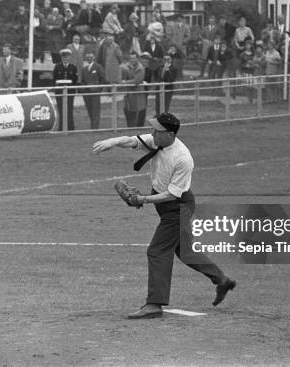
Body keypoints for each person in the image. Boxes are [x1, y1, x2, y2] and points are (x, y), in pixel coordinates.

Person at [91, 113, 236, 319]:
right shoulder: (158, 141)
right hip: (167, 205)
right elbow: (133, 141)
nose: (153, 133)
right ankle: (222, 280)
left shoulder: (183, 158)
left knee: (157, 251)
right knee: (185, 252)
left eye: (157, 130)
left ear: (169, 134)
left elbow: (172, 195)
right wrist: (113, 141)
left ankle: (154, 304)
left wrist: (141, 200)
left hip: (177, 207)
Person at [53, 48, 78, 131]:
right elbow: (54, 79)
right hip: (60, 91)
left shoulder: (73, 67)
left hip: (70, 91)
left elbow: (75, 80)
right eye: (64, 57)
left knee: (69, 109)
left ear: (69, 58)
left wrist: (74, 90)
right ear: (61, 58)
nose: (65, 59)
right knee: (61, 109)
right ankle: (61, 128)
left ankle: (71, 127)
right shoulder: (57, 66)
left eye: (67, 57)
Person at [121, 52, 147, 127]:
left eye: (134, 58)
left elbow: (136, 81)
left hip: (137, 94)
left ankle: (134, 128)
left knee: (135, 111)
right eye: (131, 58)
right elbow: (124, 76)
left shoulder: (140, 68)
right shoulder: (128, 66)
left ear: (137, 59)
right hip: (129, 93)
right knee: (126, 110)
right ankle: (130, 127)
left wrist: (125, 82)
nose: (132, 60)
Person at [80, 52, 105, 129]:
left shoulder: (98, 67)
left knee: (95, 111)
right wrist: (83, 88)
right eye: (87, 57)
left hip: (95, 93)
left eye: (90, 57)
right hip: (87, 94)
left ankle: (95, 128)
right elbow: (82, 81)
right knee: (90, 110)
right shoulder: (84, 69)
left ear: (93, 57)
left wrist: (98, 90)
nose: (89, 58)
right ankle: (93, 126)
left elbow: (103, 79)